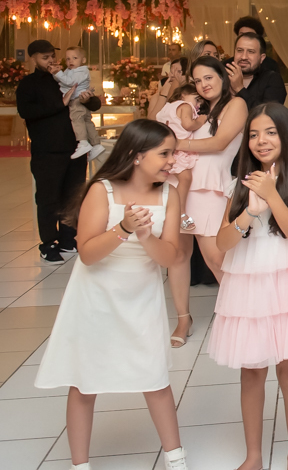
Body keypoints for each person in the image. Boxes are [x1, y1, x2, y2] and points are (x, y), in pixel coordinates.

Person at [35, 120, 189, 470]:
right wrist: (123, 229)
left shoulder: (170, 194)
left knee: (155, 377)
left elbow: (171, 258)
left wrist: (146, 236)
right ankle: (80, 465)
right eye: (164, 153)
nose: (172, 161)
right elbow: (88, 254)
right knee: (85, 381)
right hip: (96, 298)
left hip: (142, 296)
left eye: (173, 153)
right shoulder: (101, 190)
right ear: (136, 155)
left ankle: (176, 459)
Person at [210, 103, 288, 470]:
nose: (261, 141)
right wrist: (249, 212)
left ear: (286, 136)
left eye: (270, 132)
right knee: (251, 371)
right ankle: (253, 456)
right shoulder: (240, 184)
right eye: (253, 134)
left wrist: (272, 195)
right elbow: (222, 243)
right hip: (249, 281)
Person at [168, 56, 249, 348]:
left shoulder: (236, 104)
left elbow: (220, 142)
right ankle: (183, 319)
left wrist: (174, 144)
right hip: (180, 188)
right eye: (198, 80)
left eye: (209, 78)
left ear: (222, 77)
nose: (203, 85)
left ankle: (243, 316)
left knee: (216, 258)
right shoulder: (197, 109)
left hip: (209, 189)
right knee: (178, 255)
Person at [17, 39, 103, 263]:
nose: (51, 61)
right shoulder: (29, 84)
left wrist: (88, 100)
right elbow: (26, 111)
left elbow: (94, 105)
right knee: (48, 199)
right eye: (45, 57)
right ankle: (48, 243)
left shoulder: (69, 75)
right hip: (47, 151)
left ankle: (68, 238)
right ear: (33, 59)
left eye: (53, 56)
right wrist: (61, 103)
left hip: (75, 149)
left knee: (72, 197)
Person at [156, 83, 207, 232]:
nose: (198, 105)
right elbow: (188, 124)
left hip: (164, 149)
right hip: (177, 150)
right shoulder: (185, 105)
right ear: (183, 95)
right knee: (186, 179)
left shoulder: (166, 108)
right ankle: (180, 212)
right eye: (197, 99)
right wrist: (201, 120)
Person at [53, 46, 104, 160]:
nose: (70, 61)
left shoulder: (82, 71)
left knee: (77, 120)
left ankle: (83, 142)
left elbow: (70, 82)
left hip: (77, 99)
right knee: (87, 122)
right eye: (68, 59)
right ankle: (96, 144)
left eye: (74, 58)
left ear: (83, 60)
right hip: (78, 100)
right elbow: (61, 80)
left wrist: (58, 73)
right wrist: (55, 73)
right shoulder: (70, 71)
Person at [228, 33, 287, 108]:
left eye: (251, 52)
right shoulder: (223, 77)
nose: (243, 57)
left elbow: (267, 113)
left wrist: (239, 89)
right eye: (239, 50)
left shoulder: (272, 79)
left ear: (262, 58)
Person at [148, 56, 190, 121]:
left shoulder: (189, 96)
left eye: (179, 72)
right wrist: (163, 95)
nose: (173, 75)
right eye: (171, 72)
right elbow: (151, 122)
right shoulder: (156, 97)